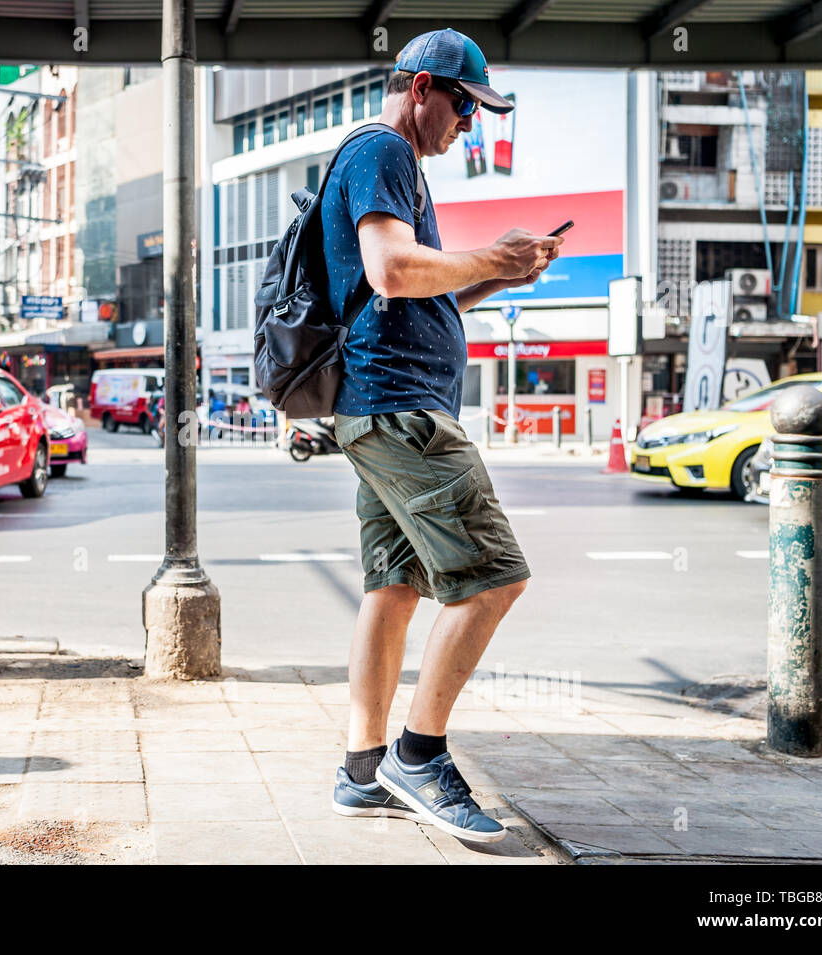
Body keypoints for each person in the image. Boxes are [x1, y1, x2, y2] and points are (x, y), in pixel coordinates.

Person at [323, 28, 563, 843]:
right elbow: (392, 270)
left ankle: (363, 770)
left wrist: (500, 270)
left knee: (393, 590)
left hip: (386, 406)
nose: (470, 123)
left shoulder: (403, 169)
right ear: (422, 87)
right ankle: (418, 756)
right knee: (494, 577)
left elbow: (419, 296)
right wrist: (486, 252)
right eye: (465, 104)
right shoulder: (381, 152)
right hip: (401, 411)